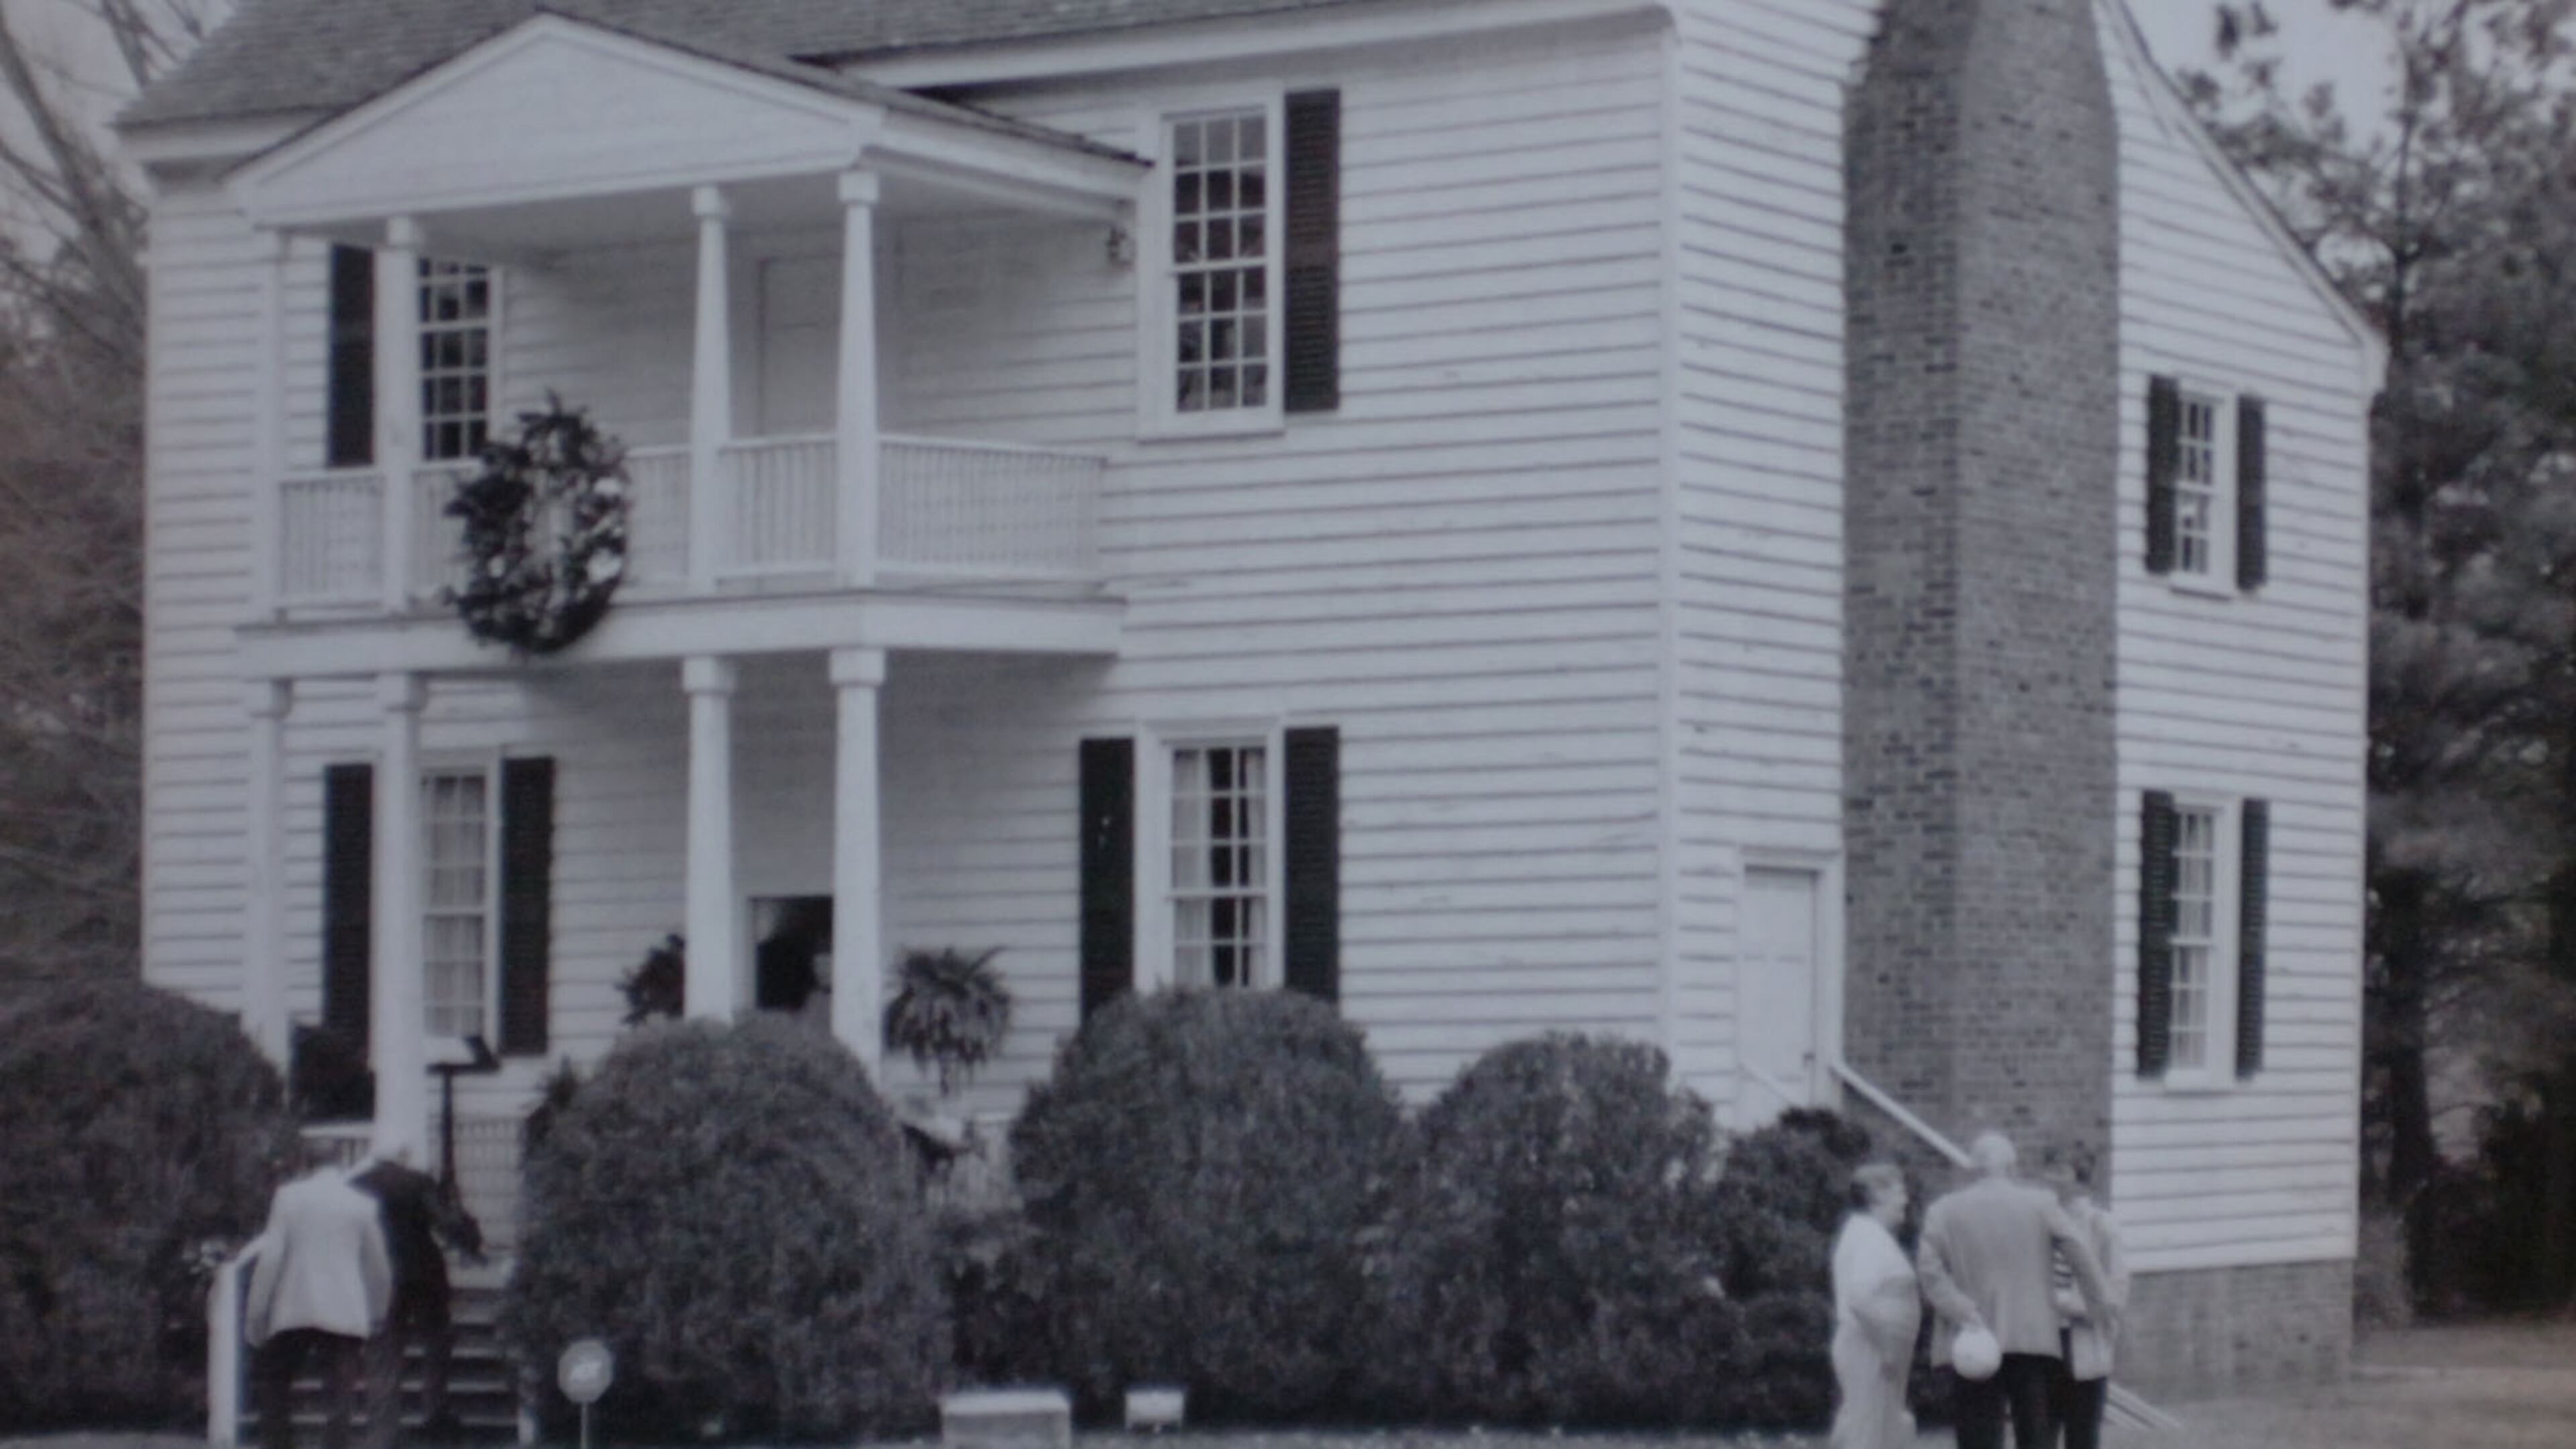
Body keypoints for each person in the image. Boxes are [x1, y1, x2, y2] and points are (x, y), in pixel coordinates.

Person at [1917, 1131, 2112, 1449]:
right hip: (2031, 1335)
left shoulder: (1943, 1210)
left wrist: (1955, 1305)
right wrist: (2098, 1304)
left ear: (1972, 1168)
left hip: (1972, 1336)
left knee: (1977, 1432)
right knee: (2035, 1432)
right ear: (2012, 1167)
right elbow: (2079, 1250)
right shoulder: (2040, 1204)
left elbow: (1928, 1269)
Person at [245, 1143, 394, 1449]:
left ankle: (279, 1443)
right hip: (345, 1309)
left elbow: (271, 1258)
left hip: (295, 1307)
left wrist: (257, 1311)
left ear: (304, 1162)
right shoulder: (361, 1204)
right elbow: (378, 1266)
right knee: (340, 1394)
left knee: (275, 1383)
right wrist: (378, 1311)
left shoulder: (289, 1198)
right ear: (341, 1162)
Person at [351, 1138, 484, 1447]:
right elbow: (445, 1222)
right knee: (436, 1342)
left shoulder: (358, 1185)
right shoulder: (417, 1182)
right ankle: (433, 1413)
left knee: (385, 1352)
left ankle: (384, 1431)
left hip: (381, 1275)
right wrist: (469, 1238)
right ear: (403, 1155)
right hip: (425, 1273)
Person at [2041, 1144, 2127, 1449]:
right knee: (2038, 1437)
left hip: (2084, 1347)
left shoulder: (2102, 1227)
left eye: (2061, 1171)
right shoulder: (2039, 1223)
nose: (2051, 1179)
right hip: (2042, 1346)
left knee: (2082, 1438)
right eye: (2048, 1169)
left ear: (2081, 1179)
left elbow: (2114, 1298)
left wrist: (2064, 1303)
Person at [1831, 1161, 1921, 1449]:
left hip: (1870, 1347)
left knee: (1878, 1432)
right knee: (1869, 1437)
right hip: (1869, 1349)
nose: (1905, 1200)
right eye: (1899, 1192)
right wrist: (1887, 1347)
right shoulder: (1868, 1238)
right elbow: (1859, 1298)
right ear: (1876, 1196)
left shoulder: (1866, 1234)